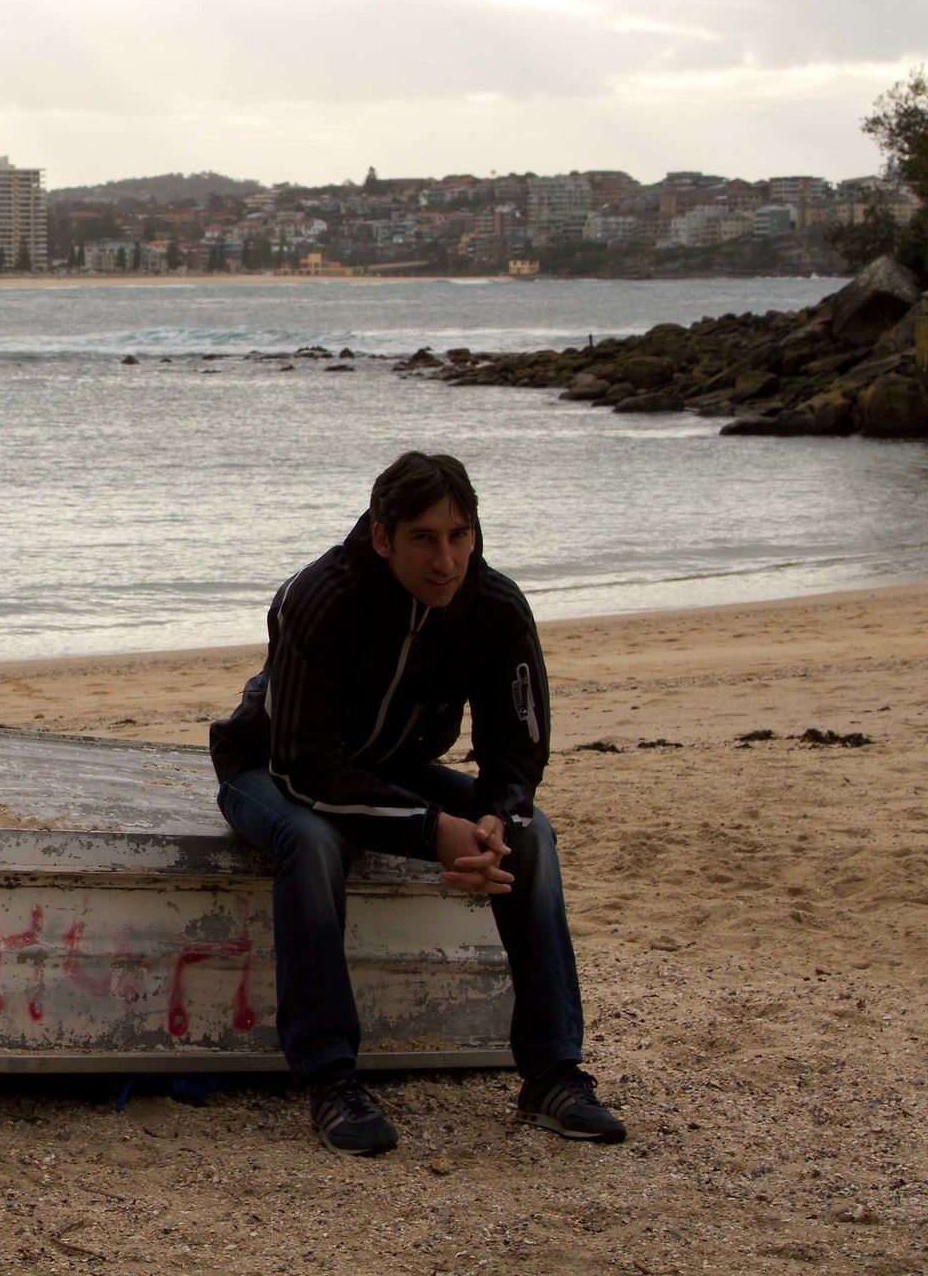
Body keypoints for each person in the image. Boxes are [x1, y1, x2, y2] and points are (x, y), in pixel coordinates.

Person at [208, 450, 625, 1155]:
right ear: (383, 537)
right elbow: (307, 769)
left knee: (531, 836)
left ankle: (553, 1073)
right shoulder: (321, 596)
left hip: (397, 770)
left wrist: (495, 818)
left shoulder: (495, 607)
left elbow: (516, 752)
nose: (446, 560)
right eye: (424, 539)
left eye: (459, 535)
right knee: (312, 841)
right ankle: (330, 1077)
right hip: (268, 770)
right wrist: (433, 831)